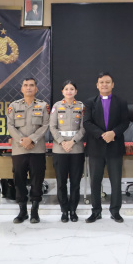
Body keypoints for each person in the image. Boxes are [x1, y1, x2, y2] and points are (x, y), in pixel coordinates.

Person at [83, 72, 131, 223]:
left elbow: (125, 122)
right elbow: (87, 122)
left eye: (107, 82)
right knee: (95, 182)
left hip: (114, 146)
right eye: (102, 82)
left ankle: (115, 211)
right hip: (96, 148)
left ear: (113, 84)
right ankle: (96, 211)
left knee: (116, 182)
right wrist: (102, 134)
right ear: (97, 85)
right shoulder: (90, 102)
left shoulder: (121, 102)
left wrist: (113, 133)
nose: (104, 84)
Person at [6, 77, 50, 224]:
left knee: (37, 181)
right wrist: (22, 140)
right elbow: (10, 126)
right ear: (22, 89)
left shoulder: (43, 106)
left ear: (36, 89)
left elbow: (45, 125)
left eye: (31, 85)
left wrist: (31, 139)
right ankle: (22, 211)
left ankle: (34, 212)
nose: (29, 88)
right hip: (19, 150)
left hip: (37, 149)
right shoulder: (14, 106)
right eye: (25, 85)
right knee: (19, 180)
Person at [49, 80, 86, 223]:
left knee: (75, 182)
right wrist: (62, 142)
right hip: (60, 148)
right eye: (66, 89)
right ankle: (64, 210)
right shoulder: (57, 106)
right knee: (61, 182)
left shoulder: (81, 106)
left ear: (76, 91)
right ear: (62, 92)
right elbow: (52, 127)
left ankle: (73, 210)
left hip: (76, 148)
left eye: (72, 89)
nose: (69, 91)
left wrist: (72, 141)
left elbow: (84, 127)